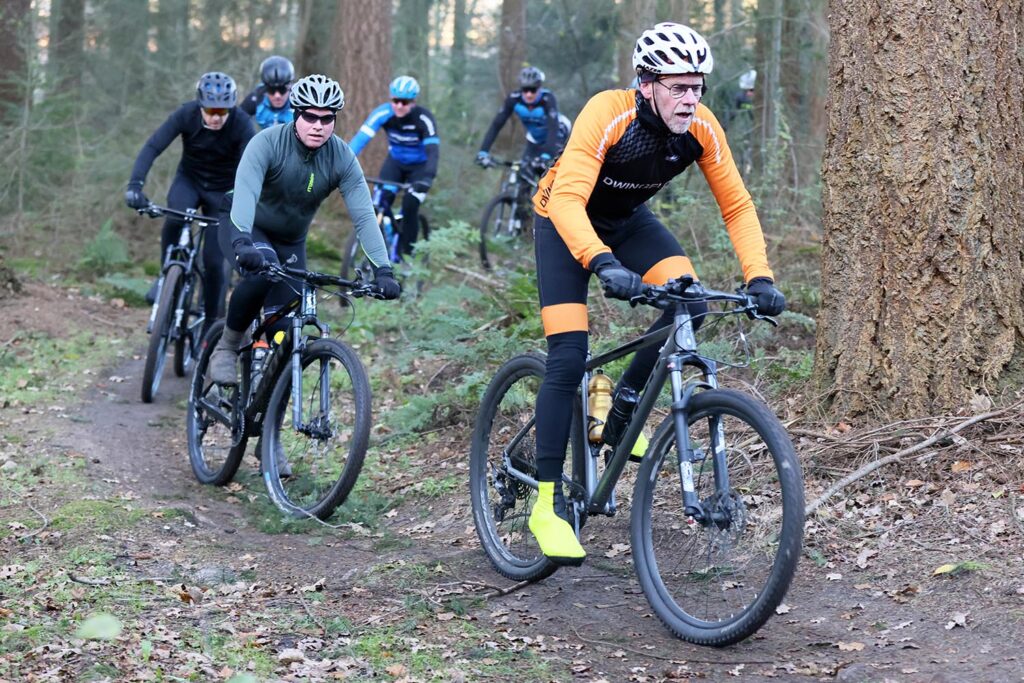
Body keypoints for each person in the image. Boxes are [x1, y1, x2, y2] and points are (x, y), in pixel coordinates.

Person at [527, 23, 786, 566]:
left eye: (697, 86)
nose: (690, 98)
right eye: (678, 87)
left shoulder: (703, 129)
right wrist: (601, 263)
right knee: (568, 355)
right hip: (563, 221)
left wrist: (759, 277)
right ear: (647, 85)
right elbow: (570, 199)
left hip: (626, 221)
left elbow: (736, 205)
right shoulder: (608, 112)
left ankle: (619, 416)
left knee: (687, 301)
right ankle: (545, 504)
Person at [207, 74, 401, 390]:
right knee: (261, 276)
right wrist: (243, 240)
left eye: (327, 119)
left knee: (285, 331)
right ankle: (227, 347)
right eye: (309, 116)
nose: (318, 125)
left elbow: (364, 216)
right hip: (245, 225)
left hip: (290, 240)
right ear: (296, 115)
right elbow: (245, 193)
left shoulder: (341, 158)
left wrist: (383, 269)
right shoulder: (267, 143)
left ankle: (266, 417)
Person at [124, 72, 254, 327]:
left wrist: (247, 201)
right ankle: (165, 277)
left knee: (215, 262)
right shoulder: (186, 114)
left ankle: (209, 325)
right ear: (200, 105)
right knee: (175, 217)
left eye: (222, 111)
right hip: (190, 181)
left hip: (224, 190)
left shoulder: (241, 124)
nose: (216, 117)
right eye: (210, 110)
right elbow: (153, 146)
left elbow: (252, 167)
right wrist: (135, 185)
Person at [348, 76, 439, 259]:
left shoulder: (424, 118)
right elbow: (361, 139)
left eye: (404, 102)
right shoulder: (383, 113)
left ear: (413, 102)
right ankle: (383, 243)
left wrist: (428, 178)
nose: (399, 106)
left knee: (410, 204)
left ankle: (407, 255)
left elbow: (433, 151)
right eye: (395, 100)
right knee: (380, 201)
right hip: (395, 164)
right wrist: (343, 161)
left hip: (419, 169)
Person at [476, 66, 563, 169]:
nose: (529, 94)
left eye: (533, 90)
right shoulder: (513, 99)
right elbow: (496, 125)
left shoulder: (548, 99)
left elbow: (553, 129)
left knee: (550, 175)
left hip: (558, 136)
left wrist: (546, 156)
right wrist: (483, 151)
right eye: (525, 90)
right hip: (534, 139)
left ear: (540, 88)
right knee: (524, 173)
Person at [239, 55, 295, 129]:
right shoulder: (257, 97)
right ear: (265, 87)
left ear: (289, 86)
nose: (277, 96)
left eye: (282, 89)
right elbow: (236, 120)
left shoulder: (299, 100)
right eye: (271, 90)